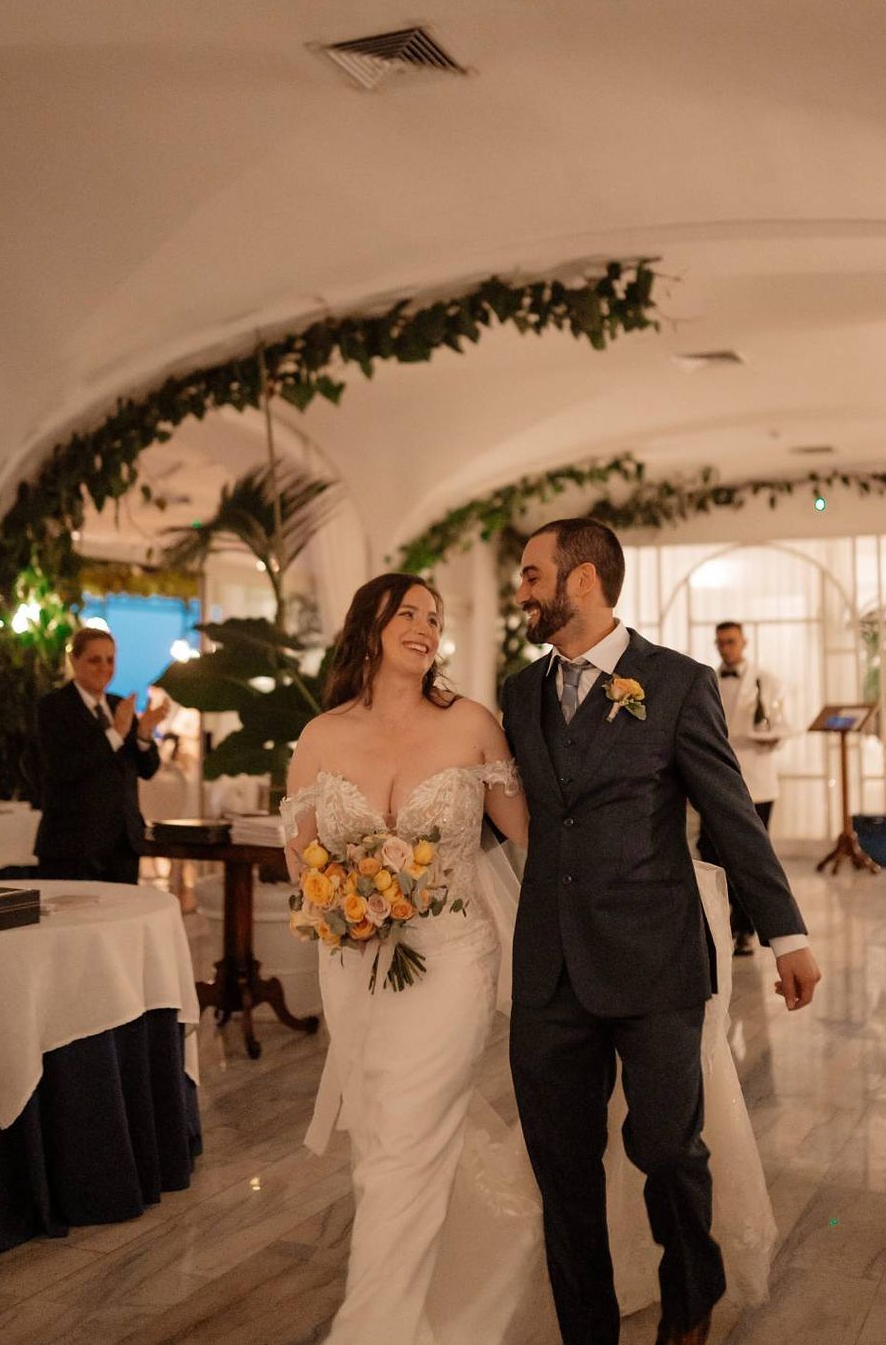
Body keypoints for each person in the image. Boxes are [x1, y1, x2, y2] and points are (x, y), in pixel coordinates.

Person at [502, 519, 820, 1345]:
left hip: (657, 961)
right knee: (562, 1174)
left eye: (532, 576)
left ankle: (689, 1294)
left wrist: (787, 935)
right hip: (548, 970)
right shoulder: (516, 693)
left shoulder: (676, 682)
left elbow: (730, 813)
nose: (522, 592)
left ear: (579, 582)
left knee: (668, 1149)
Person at [281, 573, 530, 1345]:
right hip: (353, 960)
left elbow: (533, 837)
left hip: (452, 957)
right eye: (410, 613)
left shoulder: (471, 726)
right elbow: (302, 861)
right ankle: (430, 1305)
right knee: (384, 1140)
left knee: (412, 1134)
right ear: (371, 626)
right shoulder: (321, 735)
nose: (426, 627)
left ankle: (371, 1328)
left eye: (435, 617)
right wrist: (344, 898)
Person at [35, 626, 167, 883]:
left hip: (123, 843)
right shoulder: (53, 707)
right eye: (95, 660)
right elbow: (65, 768)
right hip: (72, 845)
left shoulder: (118, 705)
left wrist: (143, 735)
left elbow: (147, 770)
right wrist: (116, 733)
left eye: (110, 660)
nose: (104, 667)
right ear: (74, 661)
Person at [698, 620, 790, 956]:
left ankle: (745, 928)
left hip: (757, 781)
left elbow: (781, 725)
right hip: (714, 781)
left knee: (751, 856)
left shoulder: (768, 681)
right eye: (720, 642)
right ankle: (715, 919)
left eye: (731, 641)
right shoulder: (704, 680)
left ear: (744, 642)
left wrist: (768, 737)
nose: (726, 648)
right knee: (710, 851)